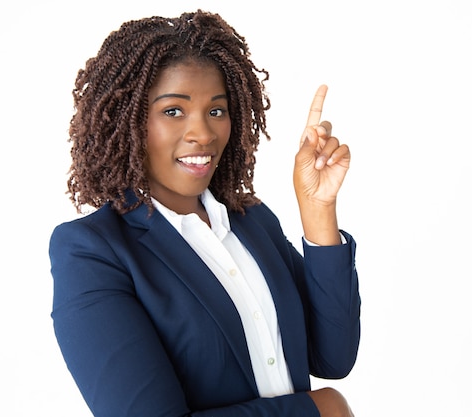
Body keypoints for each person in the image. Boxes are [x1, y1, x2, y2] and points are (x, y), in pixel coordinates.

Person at [49, 9, 360, 417]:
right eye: (173, 111)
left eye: (216, 110)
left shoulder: (252, 222)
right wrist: (321, 410)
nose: (204, 133)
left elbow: (333, 357)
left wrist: (318, 213)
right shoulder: (92, 251)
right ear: (130, 119)